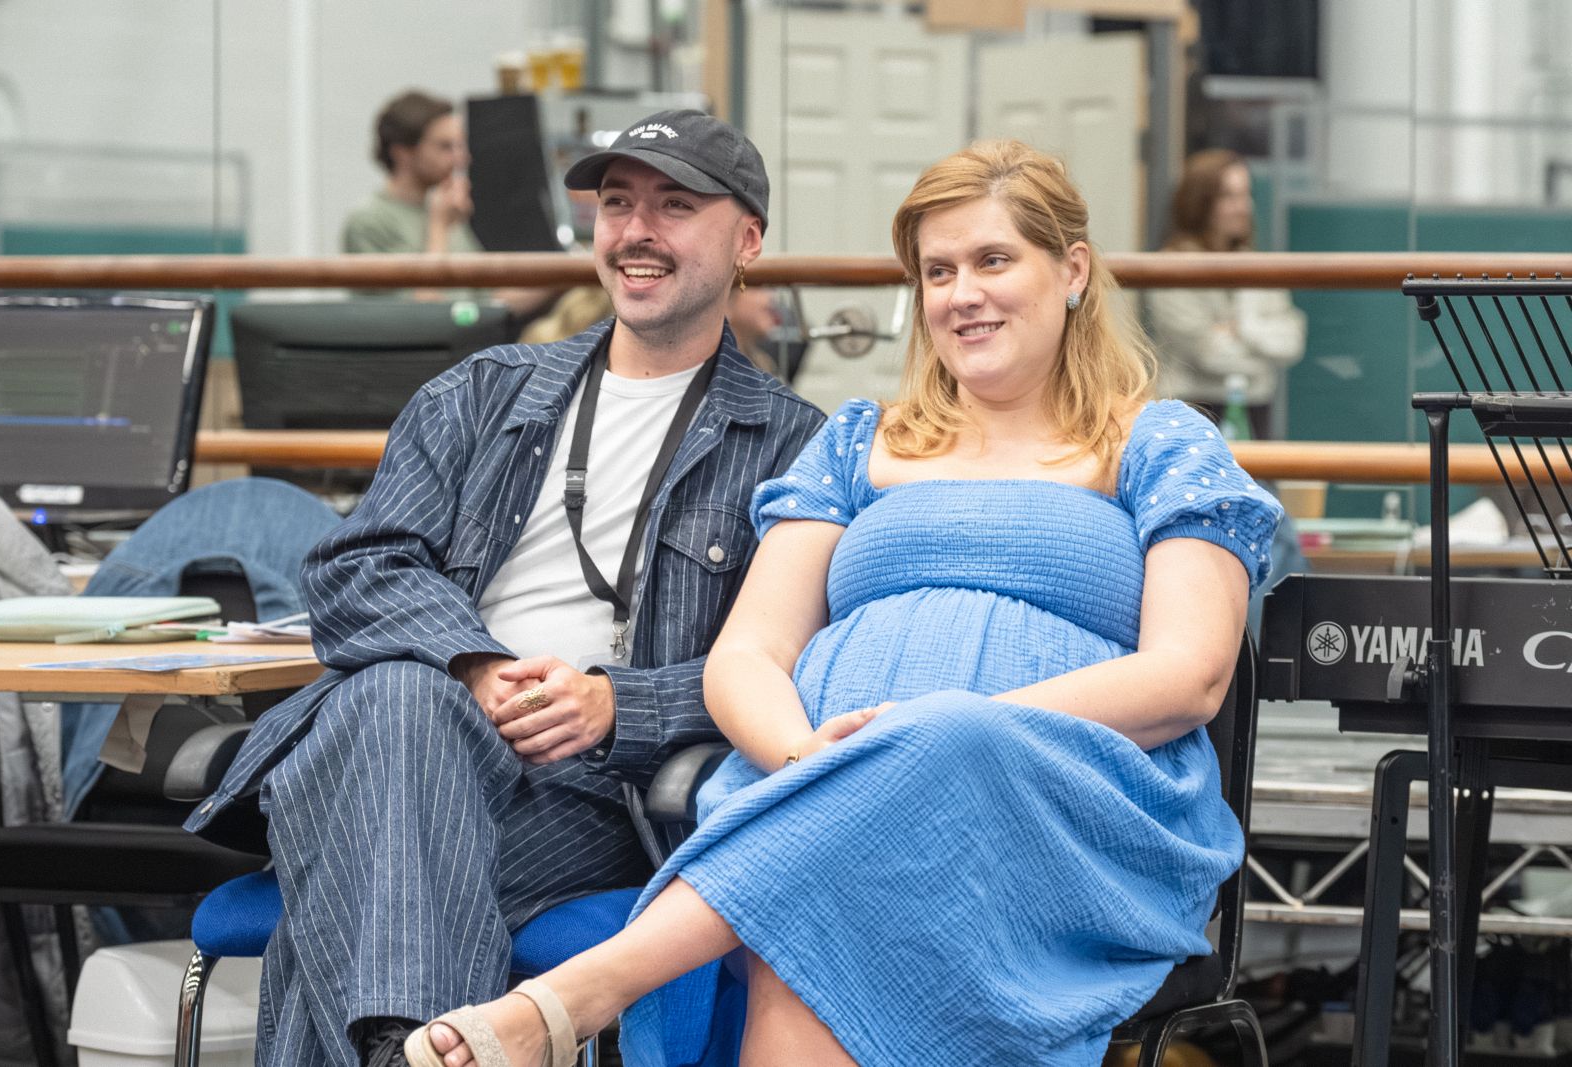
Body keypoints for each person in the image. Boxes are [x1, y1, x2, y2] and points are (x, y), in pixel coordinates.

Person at [403, 140, 1283, 1067]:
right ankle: (609, 974)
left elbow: (1190, 674)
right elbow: (748, 654)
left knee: (925, 758)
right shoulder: (859, 442)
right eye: (938, 271)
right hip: (823, 783)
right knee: (831, 892)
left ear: (1071, 270)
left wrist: (946, 731)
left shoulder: (1160, 442)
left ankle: (579, 994)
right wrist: (805, 757)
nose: (962, 294)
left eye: (993, 260)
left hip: (1070, 803)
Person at [186, 108, 826, 1066]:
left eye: (675, 206)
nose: (637, 231)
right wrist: (476, 666)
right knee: (404, 703)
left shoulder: (793, 445)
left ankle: (395, 1043)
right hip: (406, 737)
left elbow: (794, 664)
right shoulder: (483, 392)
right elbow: (355, 568)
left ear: (748, 241)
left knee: (356, 874)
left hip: (591, 790)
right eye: (618, 204)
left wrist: (617, 704)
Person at [342, 89, 554, 314]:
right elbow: (421, 314)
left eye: (460, 146)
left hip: (474, 334)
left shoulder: (445, 211)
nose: (462, 158)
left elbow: (489, 302)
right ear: (402, 153)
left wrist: (563, 275)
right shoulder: (369, 221)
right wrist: (439, 228)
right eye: (445, 147)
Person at [1145, 147, 1306, 439]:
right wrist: (1261, 347)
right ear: (1200, 202)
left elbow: (1291, 342)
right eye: (1229, 196)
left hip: (1256, 411)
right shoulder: (1172, 267)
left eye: (1245, 194)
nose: (1243, 206)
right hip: (1192, 412)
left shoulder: (1258, 265)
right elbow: (1208, 355)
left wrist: (1241, 329)